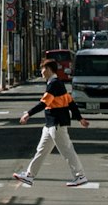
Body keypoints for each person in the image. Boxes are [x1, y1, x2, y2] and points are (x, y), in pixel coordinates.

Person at [13, 58, 90, 187]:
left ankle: (80, 176)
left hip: (56, 123)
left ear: (48, 69)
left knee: (67, 150)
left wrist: (28, 114)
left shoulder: (54, 84)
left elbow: (44, 103)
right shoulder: (56, 83)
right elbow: (70, 102)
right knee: (41, 151)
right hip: (50, 124)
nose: (41, 72)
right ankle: (29, 176)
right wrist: (79, 118)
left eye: (42, 69)